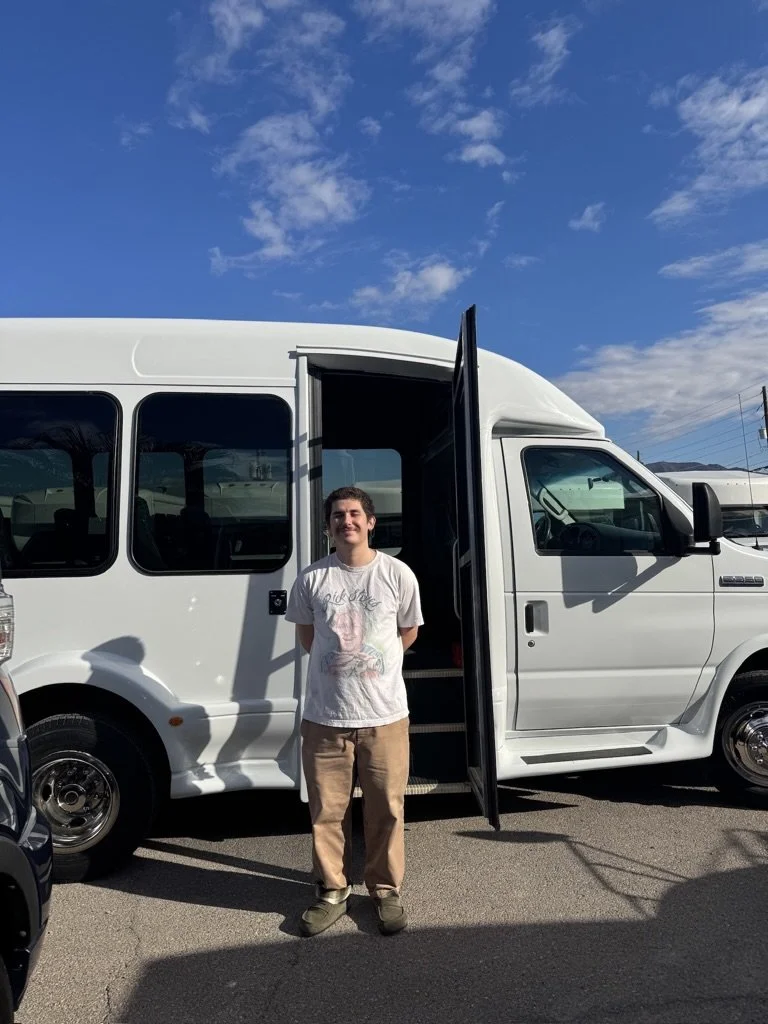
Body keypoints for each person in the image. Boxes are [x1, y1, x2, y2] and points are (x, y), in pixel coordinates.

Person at [286, 486, 423, 936]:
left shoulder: (397, 574)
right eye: (338, 516)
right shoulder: (311, 580)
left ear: (370, 522)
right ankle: (332, 890)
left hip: (385, 715)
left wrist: (373, 666)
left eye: (354, 514)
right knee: (327, 810)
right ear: (328, 527)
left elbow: (408, 632)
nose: (346, 521)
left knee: (386, 807)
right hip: (326, 716)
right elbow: (309, 639)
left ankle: (384, 890)